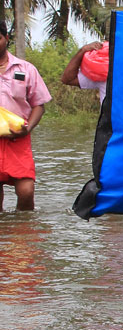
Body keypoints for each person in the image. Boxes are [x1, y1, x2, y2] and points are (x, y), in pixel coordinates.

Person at [0, 18, 52, 211]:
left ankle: (24, 230)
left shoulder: (25, 69)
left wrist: (28, 128)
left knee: (26, 190)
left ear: (6, 38)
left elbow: (39, 105)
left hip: (18, 139)